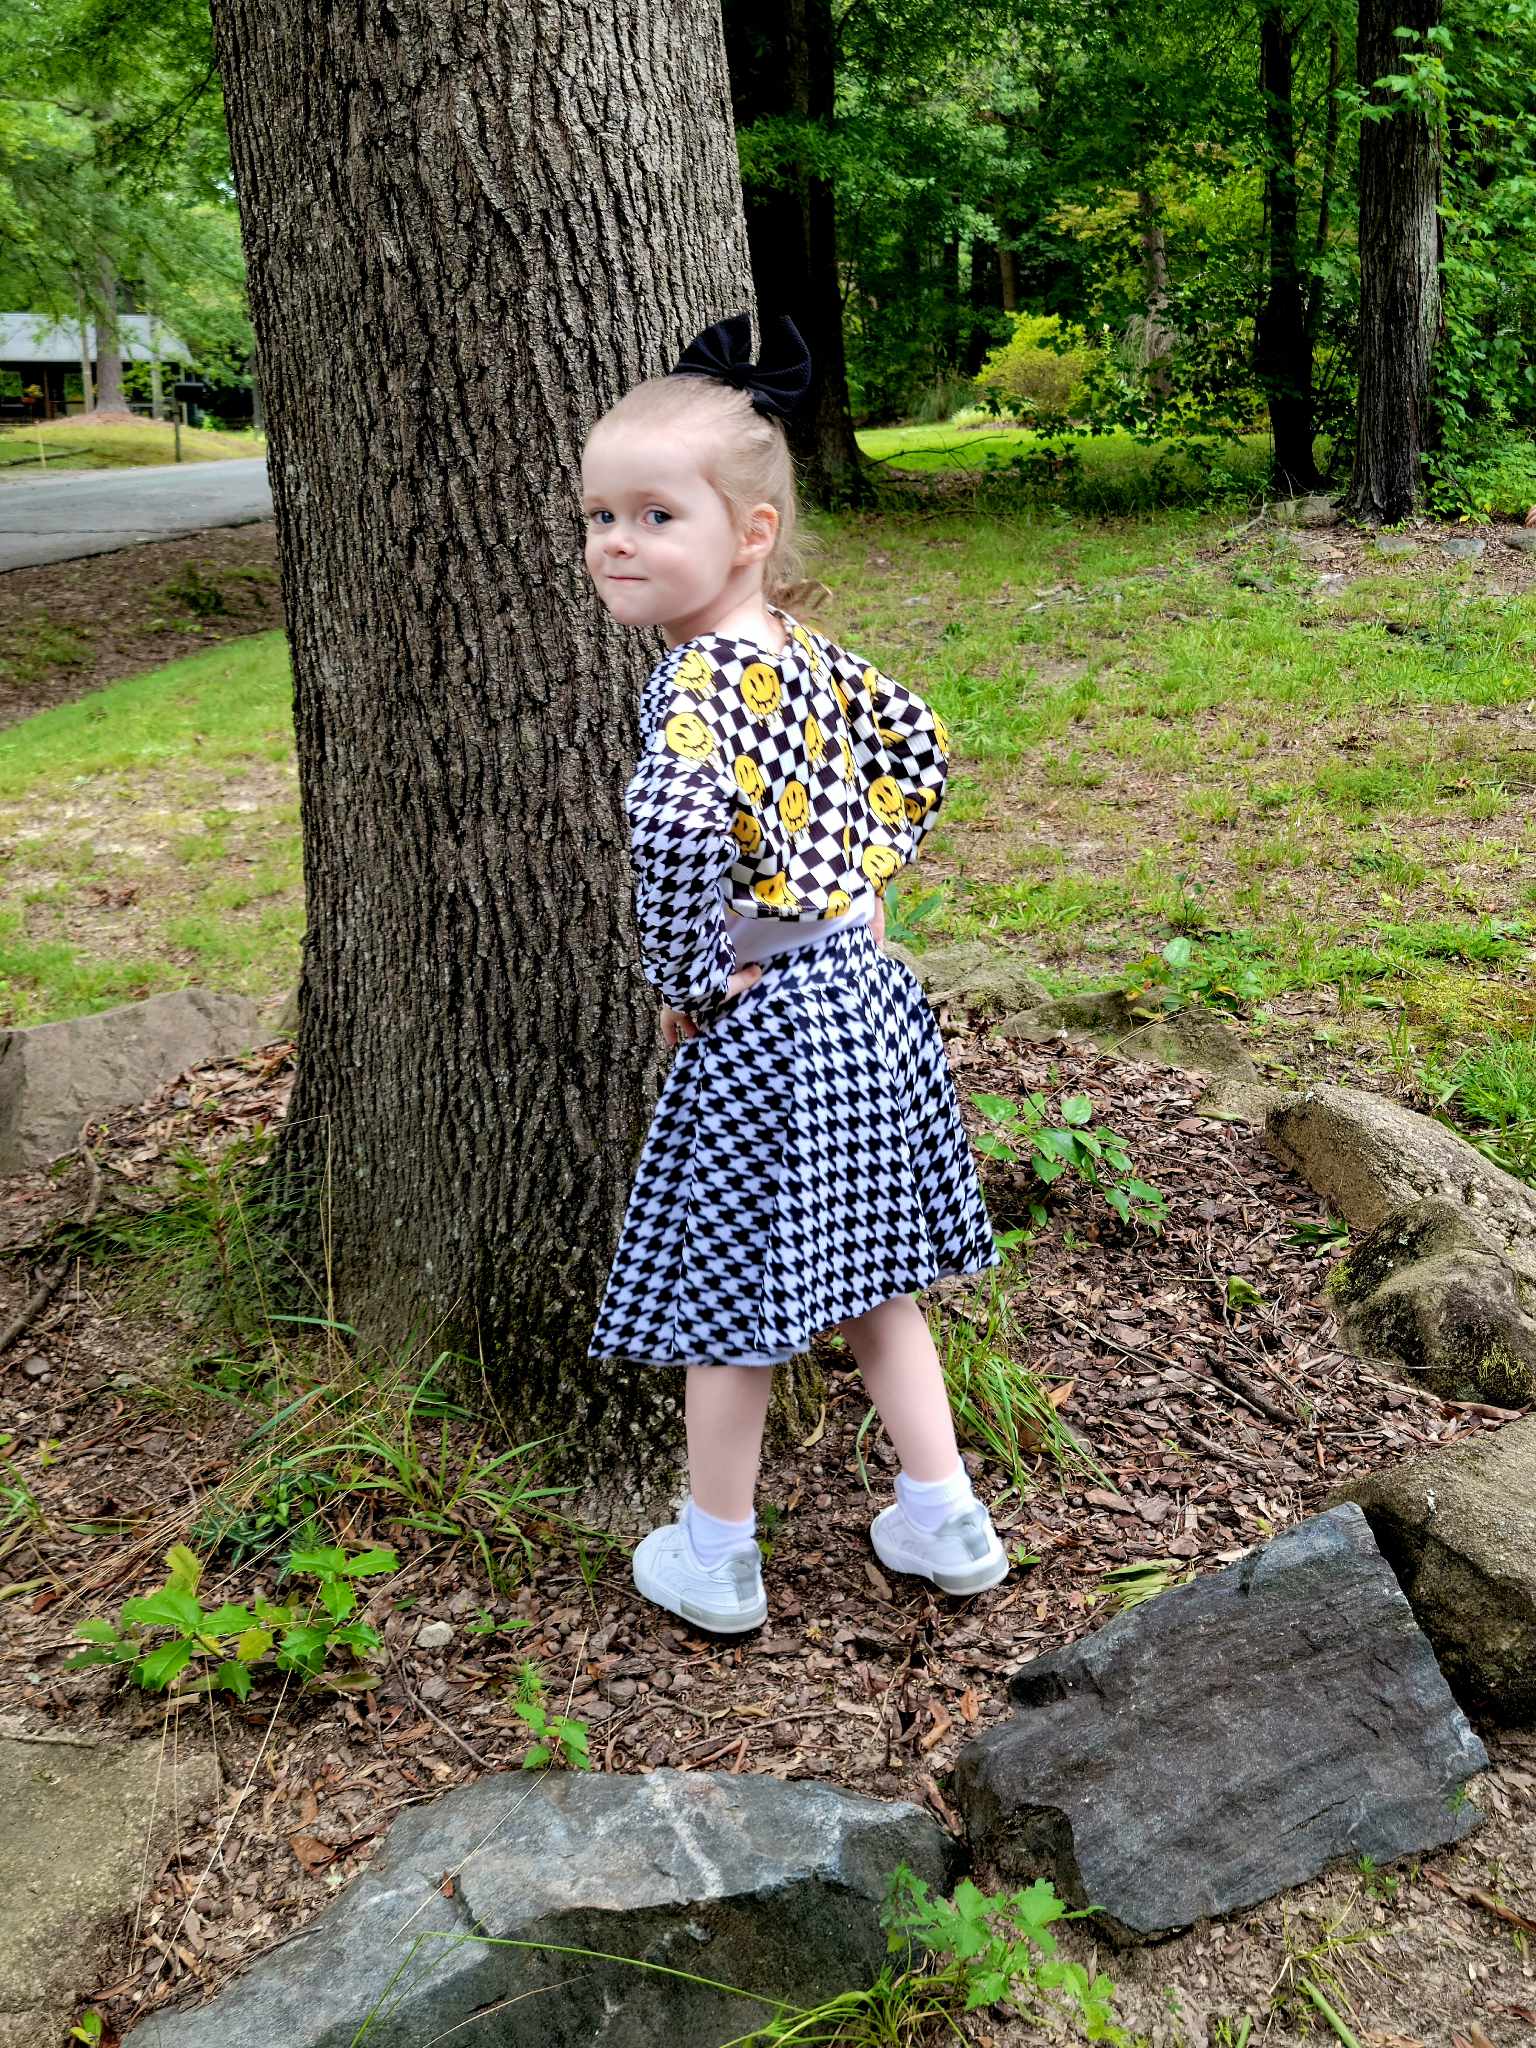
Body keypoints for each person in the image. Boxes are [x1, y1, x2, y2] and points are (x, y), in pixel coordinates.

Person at [582, 312, 1007, 1634]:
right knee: (876, 1275)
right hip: (868, 1004)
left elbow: (671, 824)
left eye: (657, 516)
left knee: (731, 1297)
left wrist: (691, 978)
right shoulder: (809, 656)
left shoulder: (697, 681)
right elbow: (920, 749)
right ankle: (944, 1518)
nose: (616, 543)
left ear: (748, 533)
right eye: (601, 515)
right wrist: (865, 885)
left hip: (765, 1017)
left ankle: (717, 1552)